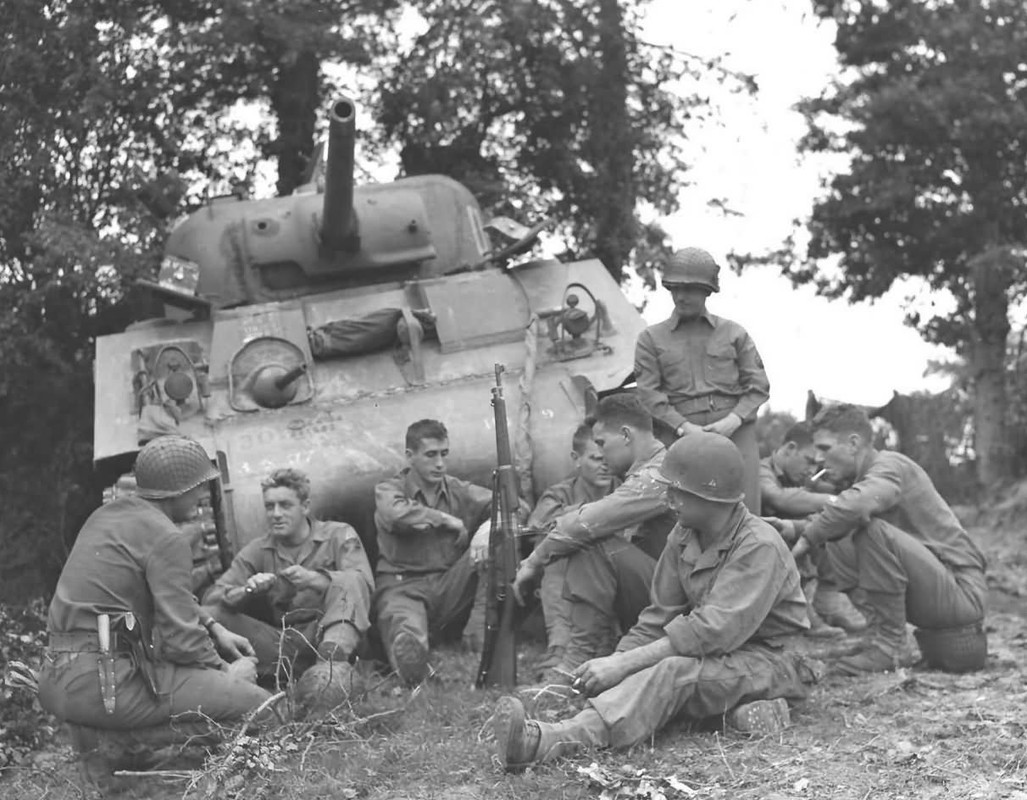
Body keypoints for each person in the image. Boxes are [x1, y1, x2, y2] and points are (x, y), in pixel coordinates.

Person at [492, 432, 818, 770]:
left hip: (774, 660)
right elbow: (657, 618)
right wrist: (613, 670)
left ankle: (548, 742)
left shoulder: (758, 545)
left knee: (675, 671)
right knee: (660, 670)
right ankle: (734, 713)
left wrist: (623, 664)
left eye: (678, 491)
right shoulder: (685, 533)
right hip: (724, 657)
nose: (669, 498)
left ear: (711, 498)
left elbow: (709, 633)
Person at [37, 435, 273, 783]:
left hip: (59, 677)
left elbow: (159, 594)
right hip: (105, 683)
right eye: (197, 487)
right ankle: (117, 744)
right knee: (263, 708)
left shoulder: (105, 517)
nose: (200, 496)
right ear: (179, 490)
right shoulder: (167, 537)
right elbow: (182, 644)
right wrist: (226, 673)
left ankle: (109, 743)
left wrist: (213, 625)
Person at [790, 404, 988, 674]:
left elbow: (856, 506)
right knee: (838, 528)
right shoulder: (868, 475)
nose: (817, 459)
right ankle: (878, 635)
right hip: (943, 595)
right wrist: (791, 529)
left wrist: (805, 540)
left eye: (824, 448)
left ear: (853, 443)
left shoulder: (889, 466)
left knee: (868, 530)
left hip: (963, 593)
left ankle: (891, 646)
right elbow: (840, 513)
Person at [511, 394, 676, 678]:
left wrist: (534, 561)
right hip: (666, 592)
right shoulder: (652, 469)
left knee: (592, 542)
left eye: (602, 443)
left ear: (625, 435)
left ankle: (576, 660)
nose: (601, 453)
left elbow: (588, 523)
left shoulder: (658, 475)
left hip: (678, 602)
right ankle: (583, 653)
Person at [204, 468, 373, 689]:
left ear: (305, 506)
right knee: (210, 615)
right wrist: (248, 590)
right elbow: (212, 599)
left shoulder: (338, 534)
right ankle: (312, 677)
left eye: (285, 505)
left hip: (333, 634)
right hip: (287, 645)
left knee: (353, 581)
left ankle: (330, 667)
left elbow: (363, 585)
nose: (275, 514)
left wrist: (313, 579)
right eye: (269, 506)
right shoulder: (258, 549)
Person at [634, 247, 769, 514]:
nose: (681, 297)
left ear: (707, 291)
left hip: (734, 430)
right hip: (678, 433)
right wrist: (684, 428)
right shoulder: (651, 339)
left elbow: (759, 386)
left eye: (690, 289)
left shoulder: (734, 333)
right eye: (674, 289)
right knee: (682, 513)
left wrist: (734, 420)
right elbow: (649, 394)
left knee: (745, 511)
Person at [372, 419, 495, 685]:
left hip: (449, 585)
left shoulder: (457, 489)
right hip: (404, 585)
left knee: (500, 538)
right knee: (405, 625)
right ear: (409, 456)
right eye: (430, 455)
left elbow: (509, 504)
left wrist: (487, 529)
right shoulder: (389, 489)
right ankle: (414, 665)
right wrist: (444, 518)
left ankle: (483, 632)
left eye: (444, 454)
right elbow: (394, 514)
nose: (440, 463)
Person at [525, 423, 617, 673]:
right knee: (559, 550)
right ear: (576, 460)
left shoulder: (624, 489)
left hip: (615, 580)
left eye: (607, 457)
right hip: (567, 587)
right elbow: (538, 527)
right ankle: (559, 646)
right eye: (596, 459)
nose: (605, 465)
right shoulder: (559, 494)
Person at [761, 422, 866, 636]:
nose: (811, 470)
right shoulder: (762, 470)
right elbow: (777, 498)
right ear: (790, 449)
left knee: (832, 524)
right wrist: (834, 499)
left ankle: (827, 604)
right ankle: (801, 613)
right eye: (808, 461)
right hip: (766, 542)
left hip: (787, 537)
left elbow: (812, 493)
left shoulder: (801, 478)